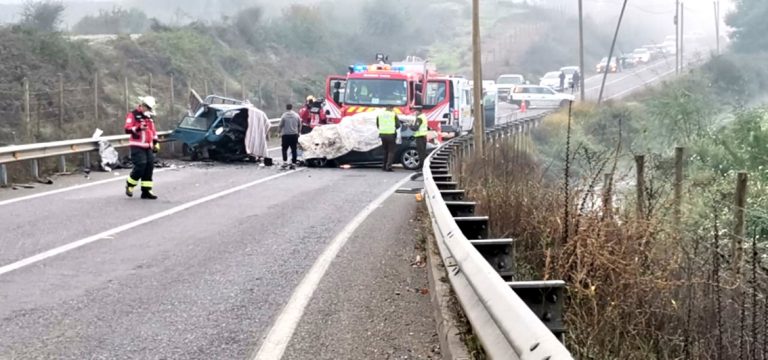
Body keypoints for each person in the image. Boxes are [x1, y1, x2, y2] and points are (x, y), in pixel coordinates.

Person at [124, 96, 159, 200]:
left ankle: (146, 191)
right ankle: (130, 185)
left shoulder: (149, 117)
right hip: (137, 145)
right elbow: (127, 129)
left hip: (148, 145)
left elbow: (153, 130)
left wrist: (155, 142)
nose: (149, 110)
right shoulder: (133, 114)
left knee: (149, 167)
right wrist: (138, 128)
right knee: (141, 165)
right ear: (143, 105)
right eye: (147, 108)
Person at [376, 106, 400, 172]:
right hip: (391, 134)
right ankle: (388, 167)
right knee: (391, 151)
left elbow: (377, 125)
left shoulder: (380, 114)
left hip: (382, 134)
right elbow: (398, 126)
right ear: (391, 109)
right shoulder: (393, 114)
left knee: (385, 150)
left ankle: (383, 166)